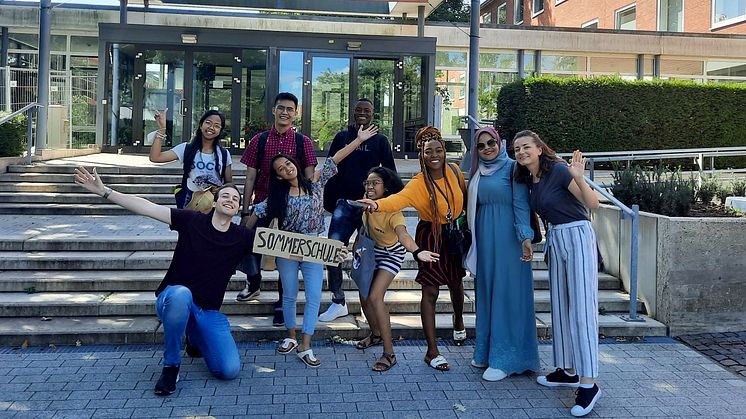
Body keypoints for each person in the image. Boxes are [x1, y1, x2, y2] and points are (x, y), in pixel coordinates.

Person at [73, 167, 251, 397]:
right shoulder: (191, 221)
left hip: (206, 310)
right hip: (173, 299)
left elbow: (279, 244)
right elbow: (148, 208)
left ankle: (194, 339)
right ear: (214, 203)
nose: (231, 200)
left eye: (235, 198)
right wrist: (105, 191)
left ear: (237, 209)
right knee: (181, 295)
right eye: (225, 195)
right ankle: (171, 366)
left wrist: (313, 248)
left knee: (228, 370)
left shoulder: (242, 237)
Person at [244, 125, 378, 368]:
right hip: (287, 250)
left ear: (294, 162)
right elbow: (256, 213)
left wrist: (358, 140)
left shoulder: (315, 182)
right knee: (289, 296)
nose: (287, 168)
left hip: (313, 248)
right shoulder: (277, 196)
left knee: (314, 296)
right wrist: (238, 235)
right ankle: (291, 336)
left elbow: (335, 158)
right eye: (281, 169)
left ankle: (306, 343)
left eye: (288, 163)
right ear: (278, 176)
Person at [359, 126, 466, 372]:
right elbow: (397, 200)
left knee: (457, 284)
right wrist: (376, 204)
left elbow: (465, 198)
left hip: (455, 234)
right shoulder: (418, 184)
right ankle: (432, 351)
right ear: (422, 154)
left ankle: (458, 320)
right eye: (429, 151)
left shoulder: (454, 170)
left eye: (439, 150)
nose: (435, 155)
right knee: (430, 293)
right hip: (430, 235)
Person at [512, 130, 601, 417]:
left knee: (582, 311)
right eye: (516, 149)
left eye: (526, 147)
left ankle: (589, 384)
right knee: (561, 309)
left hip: (577, 235)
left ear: (539, 149)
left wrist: (578, 175)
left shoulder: (561, 171)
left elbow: (593, 204)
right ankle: (568, 370)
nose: (521, 152)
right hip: (556, 239)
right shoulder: (529, 179)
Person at [464, 127, 539, 382]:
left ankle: (507, 359)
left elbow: (521, 204)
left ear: (499, 142)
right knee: (487, 294)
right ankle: (486, 352)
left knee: (508, 297)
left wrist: (525, 238)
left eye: (491, 143)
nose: (487, 148)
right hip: (485, 240)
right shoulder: (477, 172)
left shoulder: (512, 168)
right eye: (481, 145)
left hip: (509, 240)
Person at [237, 93, 318, 328]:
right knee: (250, 244)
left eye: (290, 109)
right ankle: (253, 282)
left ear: (296, 113)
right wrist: (244, 210)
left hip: (291, 207)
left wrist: (307, 205)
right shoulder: (259, 140)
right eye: (281, 108)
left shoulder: (303, 141)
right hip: (263, 202)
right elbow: (250, 176)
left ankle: (283, 303)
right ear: (273, 110)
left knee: (287, 255)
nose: (285, 112)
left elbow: (310, 175)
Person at [319, 98, 397, 323]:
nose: (362, 113)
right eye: (359, 109)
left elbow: (389, 172)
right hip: (344, 204)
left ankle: (368, 301)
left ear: (373, 114)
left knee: (369, 256)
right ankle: (338, 301)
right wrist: (331, 201)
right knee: (332, 251)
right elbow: (330, 167)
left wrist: (384, 204)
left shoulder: (380, 140)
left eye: (367, 110)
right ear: (353, 112)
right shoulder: (342, 137)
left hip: (369, 207)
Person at [354, 167, 439, 372]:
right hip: (372, 250)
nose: (370, 186)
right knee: (363, 295)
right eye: (367, 182)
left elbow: (403, 235)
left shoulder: (394, 212)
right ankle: (375, 334)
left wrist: (418, 251)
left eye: (375, 183)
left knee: (375, 297)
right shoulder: (364, 203)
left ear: (386, 187)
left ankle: (389, 353)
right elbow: (362, 228)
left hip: (392, 253)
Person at [149, 109, 232, 209]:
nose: (211, 127)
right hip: (189, 201)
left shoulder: (224, 154)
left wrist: (220, 190)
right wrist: (162, 129)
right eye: (208, 123)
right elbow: (155, 157)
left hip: (213, 203)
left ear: (220, 131)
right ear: (201, 125)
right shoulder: (186, 148)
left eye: (217, 125)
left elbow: (229, 184)